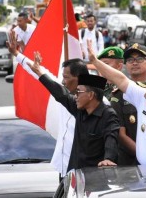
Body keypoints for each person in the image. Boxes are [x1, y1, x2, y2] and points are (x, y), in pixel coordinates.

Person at [6, 31, 89, 177]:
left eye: (66, 77)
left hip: (83, 169)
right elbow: (39, 72)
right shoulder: (64, 92)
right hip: (62, 166)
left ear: (79, 78)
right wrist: (17, 54)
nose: (62, 81)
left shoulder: (98, 103)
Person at [26, 52, 120, 171]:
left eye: (79, 92)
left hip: (96, 178)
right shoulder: (79, 109)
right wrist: (39, 72)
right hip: (74, 176)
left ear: (91, 95)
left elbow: (111, 138)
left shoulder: (108, 115)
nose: (75, 96)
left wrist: (109, 159)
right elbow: (60, 93)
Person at [111, 43, 146, 165]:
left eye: (139, 59)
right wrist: (143, 155)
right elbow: (121, 133)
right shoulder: (119, 94)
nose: (134, 63)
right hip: (129, 163)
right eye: (130, 60)